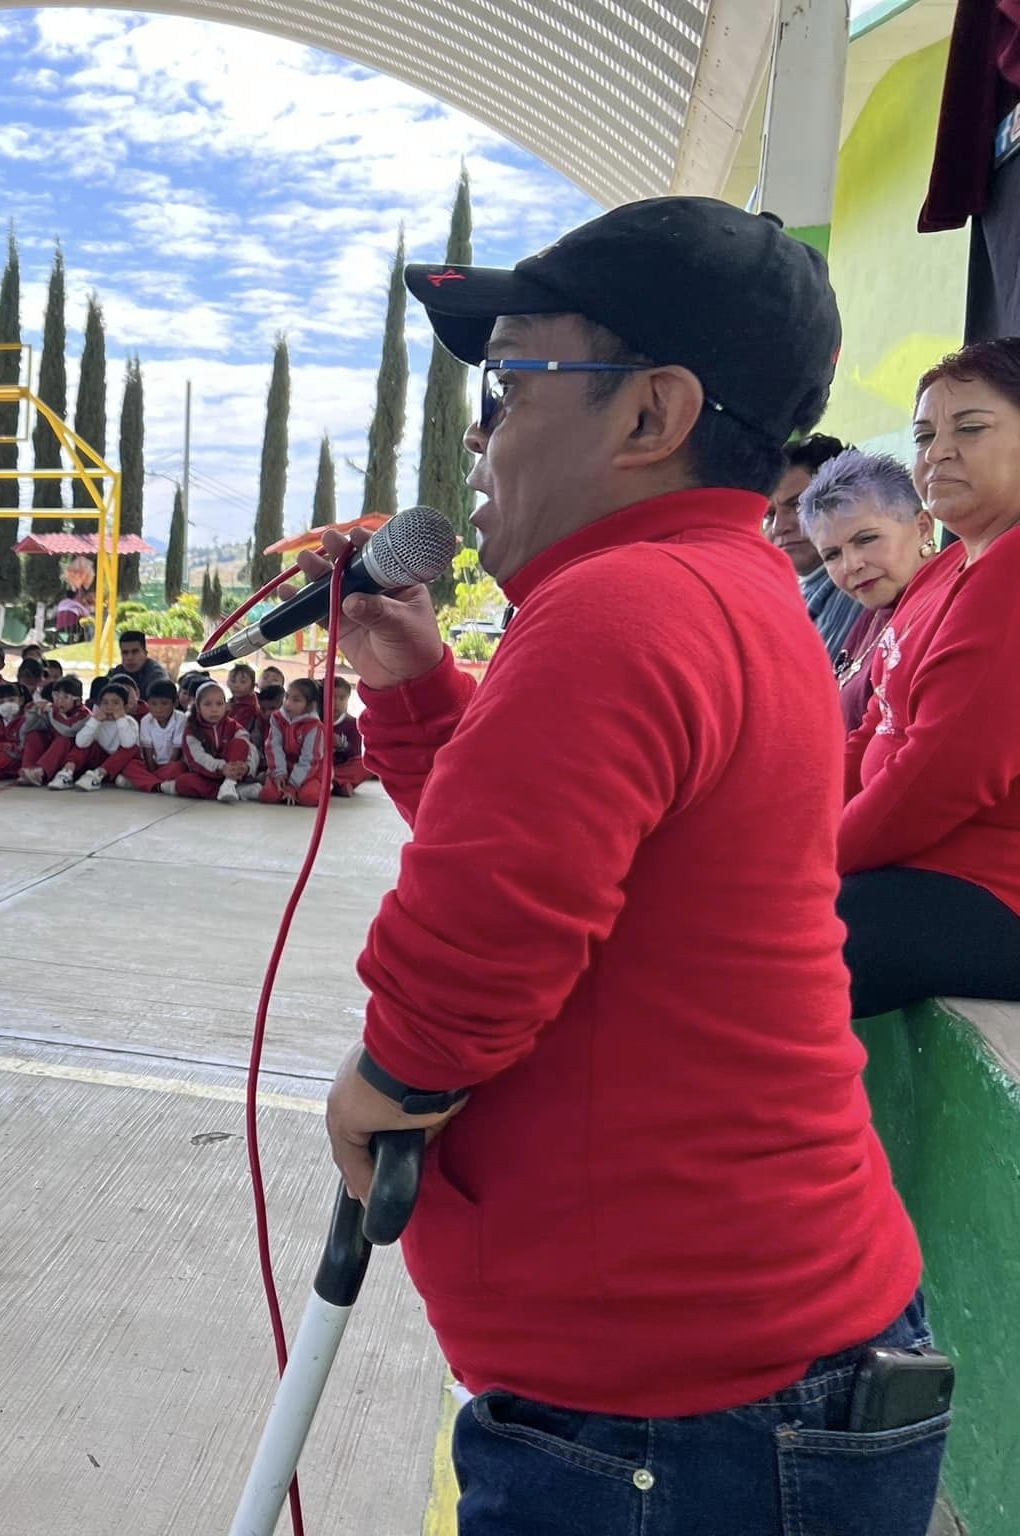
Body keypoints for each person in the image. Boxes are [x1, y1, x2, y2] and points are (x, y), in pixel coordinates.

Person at [312, 198, 935, 1534]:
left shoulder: (618, 606)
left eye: (510, 379)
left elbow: (485, 933)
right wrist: (418, 691)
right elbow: (557, 853)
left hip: (678, 1425)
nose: (479, 435)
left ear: (650, 415)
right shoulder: (723, 588)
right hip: (756, 1383)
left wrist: (384, 1087)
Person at [838, 338, 1020, 1017]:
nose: (937, 451)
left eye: (969, 428)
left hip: (997, 888)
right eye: (924, 435)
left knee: (763, 940)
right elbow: (871, 727)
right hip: (927, 867)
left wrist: (812, 859)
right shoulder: (946, 569)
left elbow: (940, 776)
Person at [795, 450, 939, 732]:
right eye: (832, 555)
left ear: (923, 528)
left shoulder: (948, 611)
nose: (851, 565)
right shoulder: (872, 616)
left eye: (866, 539)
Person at [766, 434, 863, 655]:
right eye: (769, 515)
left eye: (798, 506)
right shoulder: (782, 595)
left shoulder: (860, 587)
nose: (779, 527)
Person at [162, 679, 253, 801]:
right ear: (198, 707)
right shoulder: (191, 730)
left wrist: (247, 767)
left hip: (233, 774)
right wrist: (222, 768)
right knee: (184, 782)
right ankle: (237, 791)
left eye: (219, 704)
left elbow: (249, 748)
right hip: (207, 774)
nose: (214, 709)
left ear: (226, 706)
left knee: (240, 743)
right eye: (208, 704)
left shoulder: (233, 726)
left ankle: (229, 785)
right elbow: (197, 759)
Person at [62, 679, 140, 792]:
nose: (109, 707)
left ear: (126, 707)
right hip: (100, 760)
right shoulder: (97, 721)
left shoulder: (130, 722)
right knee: (87, 744)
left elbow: (127, 745)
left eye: (115, 703)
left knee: (132, 749)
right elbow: (80, 743)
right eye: (105, 703)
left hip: (121, 764)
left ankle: (98, 775)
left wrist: (120, 719)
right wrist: (95, 721)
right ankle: (66, 773)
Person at [260, 678, 327, 806]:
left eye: (296, 700)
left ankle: (325, 786)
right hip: (284, 769)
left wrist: (293, 785)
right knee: (268, 795)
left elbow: (309, 759)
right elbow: (273, 746)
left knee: (309, 797)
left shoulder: (314, 726)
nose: (288, 704)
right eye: (287, 697)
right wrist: (279, 773)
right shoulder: (277, 718)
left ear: (311, 705)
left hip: (311, 772)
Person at [106, 631, 170, 700]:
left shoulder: (157, 677)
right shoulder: (115, 673)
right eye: (125, 653)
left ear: (145, 653)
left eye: (135, 652)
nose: (129, 657)